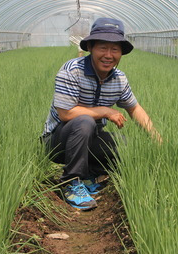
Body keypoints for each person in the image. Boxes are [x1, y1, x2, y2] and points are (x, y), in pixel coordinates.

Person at [41, 17, 162, 210]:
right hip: (58, 142)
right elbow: (66, 114)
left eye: (115, 49)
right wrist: (105, 111)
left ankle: (90, 174)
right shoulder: (72, 71)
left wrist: (156, 138)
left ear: (121, 52)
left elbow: (134, 108)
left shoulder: (119, 79)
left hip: (89, 139)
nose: (108, 55)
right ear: (90, 47)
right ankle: (71, 182)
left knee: (127, 147)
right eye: (102, 48)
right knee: (85, 122)